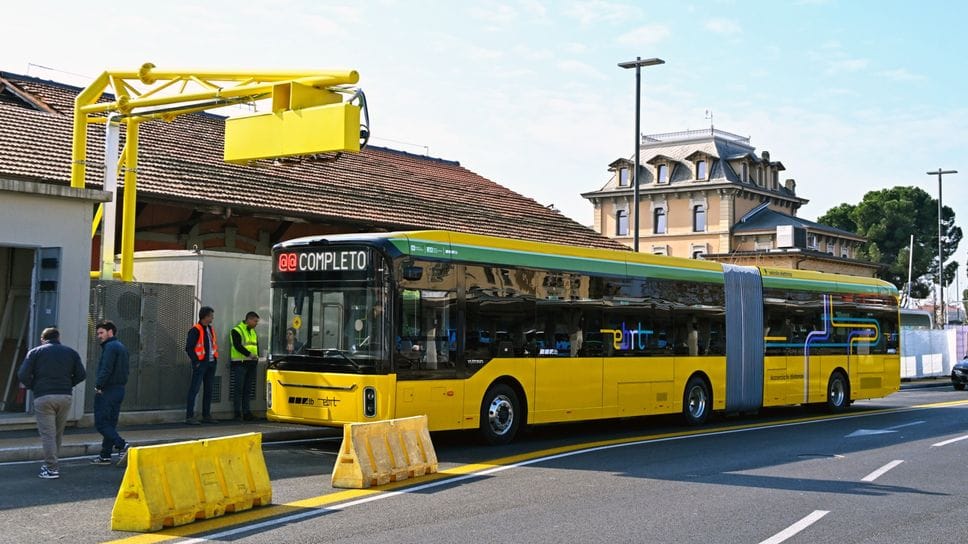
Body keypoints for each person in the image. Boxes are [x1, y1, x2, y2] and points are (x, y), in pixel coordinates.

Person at [17, 327, 86, 479]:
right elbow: (81, 374)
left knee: (47, 434)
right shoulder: (71, 352)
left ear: (43, 339)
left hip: (43, 397)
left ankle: (51, 468)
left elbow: (22, 374)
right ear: (58, 338)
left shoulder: (35, 352)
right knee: (57, 433)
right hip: (65, 396)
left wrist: (33, 386)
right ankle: (52, 463)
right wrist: (68, 384)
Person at [90, 320, 130, 466]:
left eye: (101, 332)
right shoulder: (121, 347)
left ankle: (123, 445)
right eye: (98, 333)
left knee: (101, 423)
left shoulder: (110, 347)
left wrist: (98, 386)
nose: (99, 336)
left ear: (110, 331)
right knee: (110, 423)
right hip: (119, 389)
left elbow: (106, 368)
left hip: (108, 389)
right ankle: (105, 455)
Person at [185, 306, 219, 425]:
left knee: (209, 390)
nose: (212, 318)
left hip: (210, 363)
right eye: (211, 316)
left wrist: (214, 360)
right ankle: (189, 416)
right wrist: (196, 362)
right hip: (201, 364)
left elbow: (212, 345)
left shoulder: (210, 329)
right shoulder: (196, 329)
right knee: (194, 389)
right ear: (205, 316)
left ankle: (206, 415)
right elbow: (189, 348)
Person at [230, 311, 260, 421]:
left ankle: (246, 412)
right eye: (255, 321)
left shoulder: (253, 332)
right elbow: (237, 346)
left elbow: (256, 346)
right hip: (240, 363)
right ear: (249, 320)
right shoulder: (236, 330)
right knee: (239, 389)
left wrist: (256, 358)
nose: (256, 323)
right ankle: (237, 413)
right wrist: (249, 355)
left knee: (247, 389)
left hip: (251, 364)